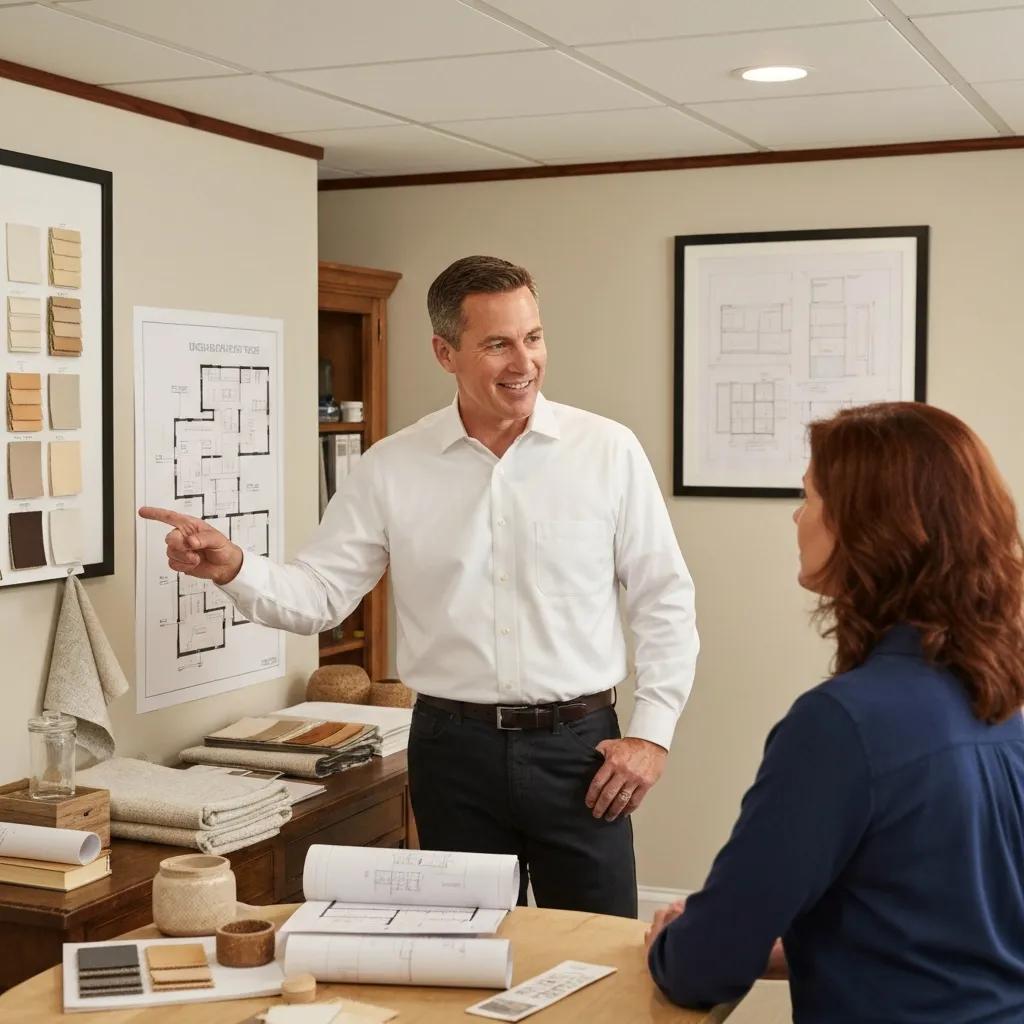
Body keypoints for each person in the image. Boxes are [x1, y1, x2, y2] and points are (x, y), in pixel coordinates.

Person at [139, 255, 698, 918]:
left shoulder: (608, 452)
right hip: (450, 754)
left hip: (581, 754)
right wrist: (234, 567)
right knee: (456, 957)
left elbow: (664, 599)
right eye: (497, 344)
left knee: (599, 959)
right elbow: (319, 595)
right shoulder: (392, 468)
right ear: (444, 352)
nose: (524, 362)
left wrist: (652, 734)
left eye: (533, 337)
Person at [646, 402, 1024, 1022]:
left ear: (869, 528)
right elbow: (954, 933)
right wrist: (790, 945)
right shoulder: (999, 703)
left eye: (811, 496)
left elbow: (701, 969)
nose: (798, 516)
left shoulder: (842, 725)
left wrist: (670, 946)